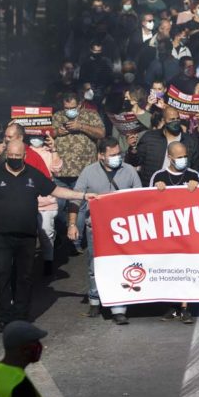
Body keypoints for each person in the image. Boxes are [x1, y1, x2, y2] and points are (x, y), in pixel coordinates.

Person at [0, 141, 94, 332]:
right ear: (7, 154)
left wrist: (82, 196)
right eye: (11, 156)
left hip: (27, 236)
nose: (13, 159)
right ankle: (4, 316)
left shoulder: (33, 174)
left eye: (17, 156)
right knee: (2, 275)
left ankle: (21, 315)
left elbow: (56, 190)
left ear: (24, 155)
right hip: (2, 235)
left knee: (24, 276)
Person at [69, 138, 141, 325]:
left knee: (121, 265)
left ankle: (119, 307)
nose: (117, 158)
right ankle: (95, 300)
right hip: (96, 228)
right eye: (113, 155)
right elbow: (76, 198)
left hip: (122, 230)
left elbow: (140, 198)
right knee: (95, 264)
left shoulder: (129, 171)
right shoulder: (89, 172)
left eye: (119, 154)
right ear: (101, 156)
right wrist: (72, 224)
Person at [151, 141, 199, 324]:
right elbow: (148, 203)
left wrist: (196, 189)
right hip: (167, 231)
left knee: (186, 268)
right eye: (179, 157)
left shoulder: (193, 175)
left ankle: (186, 307)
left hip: (188, 231)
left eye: (185, 156)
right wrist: (158, 190)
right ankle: (172, 305)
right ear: (170, 158)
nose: (183, 160)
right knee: (170, 269)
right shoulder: (159, 175)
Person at [128, 105, 199, 187]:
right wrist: (133, 148)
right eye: (172, 119)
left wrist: (193, 181)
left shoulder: (189, 141)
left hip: (180, 187)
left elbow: (196, 167)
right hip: (153, 187)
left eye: (177, 119)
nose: (175, 121)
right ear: (164, 120)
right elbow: (135, 161)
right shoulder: (150, 138)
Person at [28, 134, 62, 276]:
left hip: (46, 202)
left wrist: (54, 149)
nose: (36, 139)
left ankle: (48, 261)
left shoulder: (48, 153)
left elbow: (57, 169)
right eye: (33, 135)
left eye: (39, 136)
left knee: (46, 235)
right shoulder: (24, 152)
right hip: (27, 202)